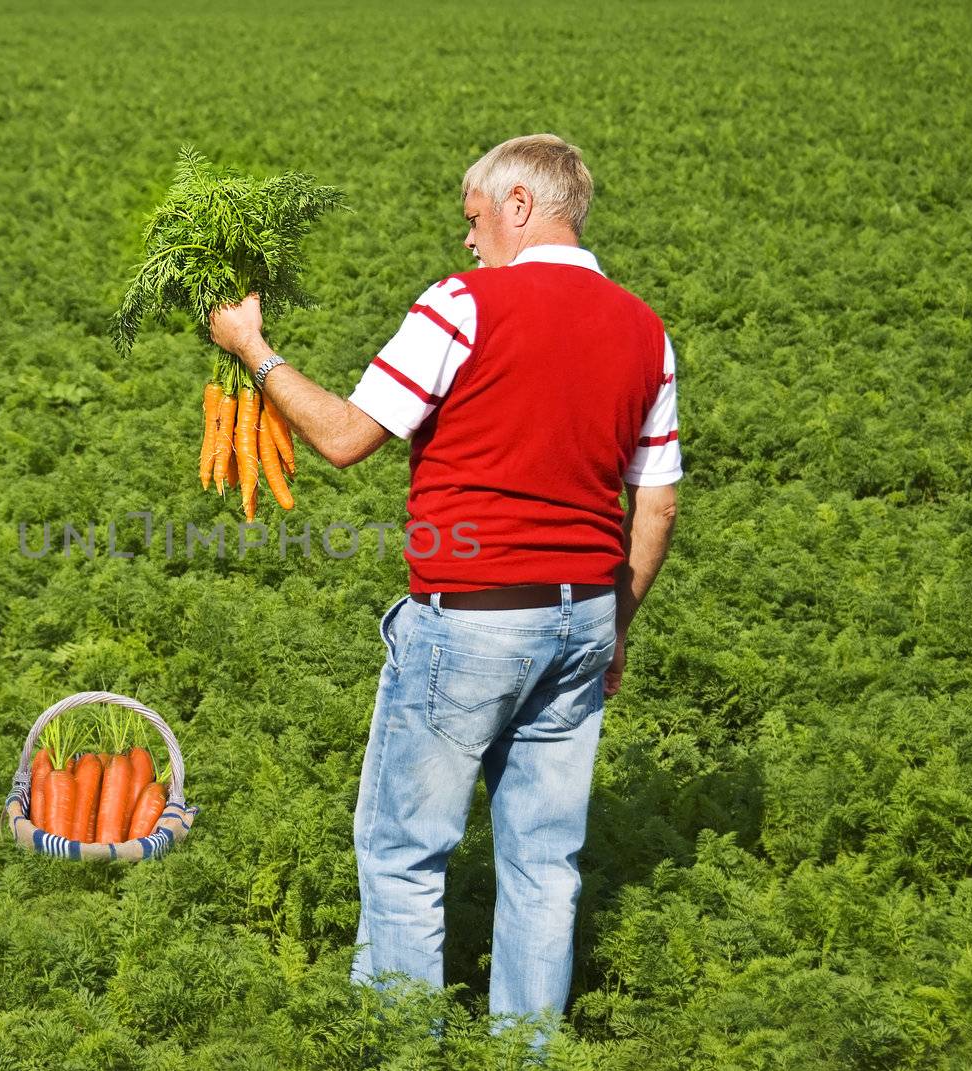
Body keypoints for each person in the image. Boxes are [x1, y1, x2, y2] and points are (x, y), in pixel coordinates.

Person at [208, 134, 681, 1041]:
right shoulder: (644, 327)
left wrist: (253, 350)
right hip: (582, 614)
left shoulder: (463, 304)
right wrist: (614, 624)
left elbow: (346, 437)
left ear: (517, 206)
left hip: (472, 618)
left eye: (472, 219)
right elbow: (654, 507)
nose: (466, 241)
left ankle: (396, 1046)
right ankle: (525, 1055)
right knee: (547, 863)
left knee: (403, 853)